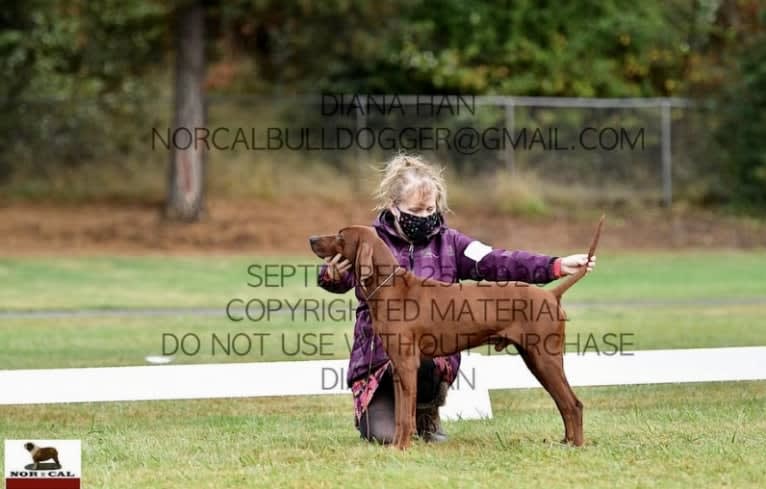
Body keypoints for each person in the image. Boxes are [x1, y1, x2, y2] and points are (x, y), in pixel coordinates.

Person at [317, 154, 596, 444]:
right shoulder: (369, 241)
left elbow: (496, 260)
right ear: (393, 206)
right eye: (415, 209)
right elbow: (341, 278)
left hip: (430, 360)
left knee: (422, 359)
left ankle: (425, 415)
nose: (424, 217)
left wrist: (555, 265)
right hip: (377, 361)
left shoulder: (450, 242)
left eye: (429, 209)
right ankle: (394, 419)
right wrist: (333, 276)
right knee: (381, 436)